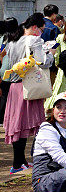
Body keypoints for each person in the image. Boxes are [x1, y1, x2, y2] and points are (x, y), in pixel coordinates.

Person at [2, 13, 50, 173]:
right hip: (29, 86)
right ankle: (17, 163)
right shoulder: (34, 40)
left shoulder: (13, 41)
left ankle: (20, 161)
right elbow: (42, 62)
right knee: (23, 125)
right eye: (41, 30)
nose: (41, 33)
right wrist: (50, 53)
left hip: (14, 86)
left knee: (18, 125)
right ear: (35, 27)